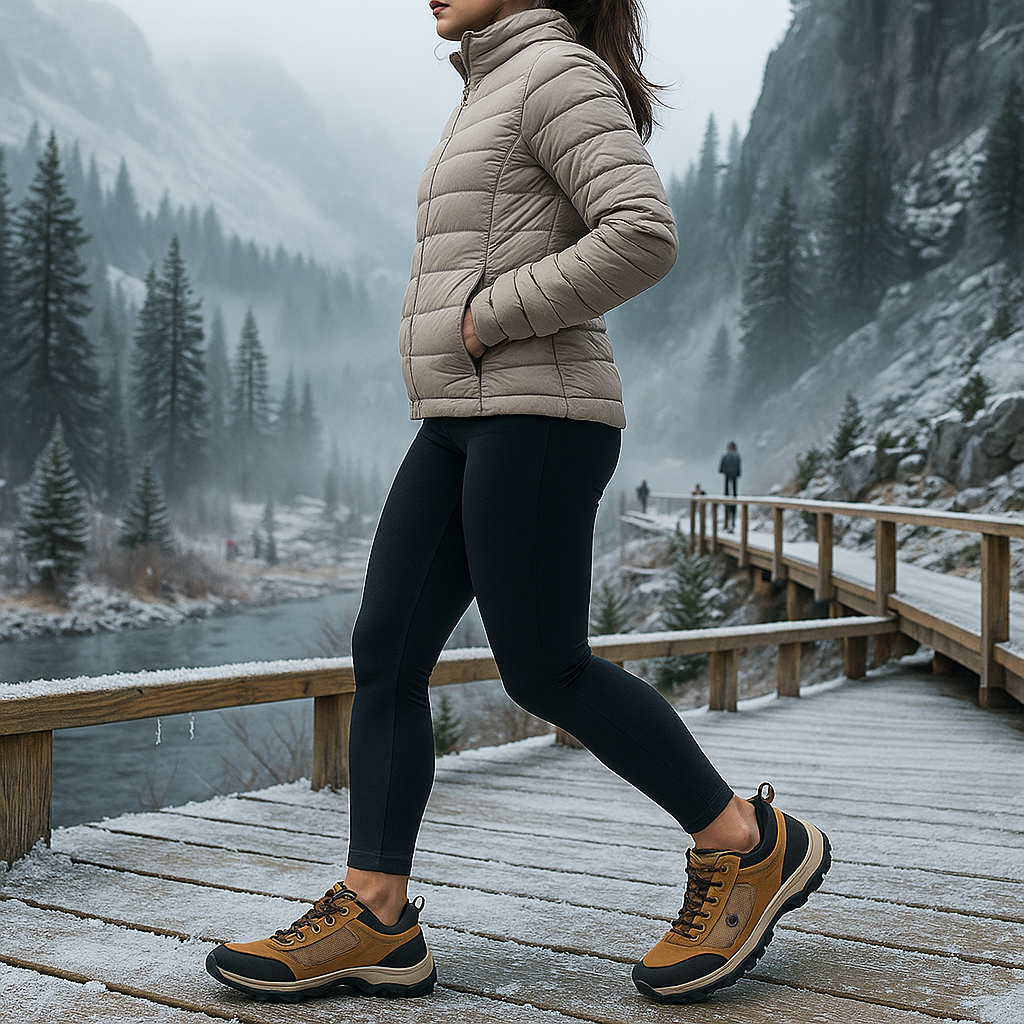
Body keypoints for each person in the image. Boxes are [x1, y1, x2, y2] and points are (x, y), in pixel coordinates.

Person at [204, 0, 830, 1008]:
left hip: (540, 415)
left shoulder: (554, 73)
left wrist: (490, 312)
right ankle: (376, 916)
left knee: (543, 667)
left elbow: (641, 233)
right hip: (460, 413)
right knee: (385, 653)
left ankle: (747, 843)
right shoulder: (490, 82)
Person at [719, 440, 741, 530]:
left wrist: (726, 471)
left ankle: (726, 522)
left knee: (726, 498)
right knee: (734, 497)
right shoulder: (737, 457)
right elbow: (739, 470)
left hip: (727, 478)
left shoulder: (725, 456)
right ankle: (733, 522)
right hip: (734, 479)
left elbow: (721, 469)